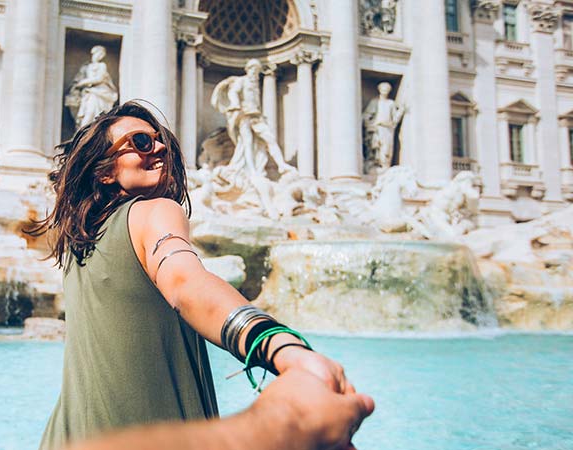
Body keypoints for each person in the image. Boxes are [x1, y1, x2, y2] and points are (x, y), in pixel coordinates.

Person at [27, 101, 366, 450]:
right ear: (104, 172)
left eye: (162, 142)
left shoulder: (77, 245)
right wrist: (281, 345)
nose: (158, 147)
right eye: (141, 142)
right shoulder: (155, 210)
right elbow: (187, 284)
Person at [65, 368, 375, 450]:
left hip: (75, 422)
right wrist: (293, 421)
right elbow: (185, 282)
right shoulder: (157, 208)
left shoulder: (83, 229)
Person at [65, 45, 119, 129]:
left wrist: (84, 82)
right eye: (100, 54)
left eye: (102, 55)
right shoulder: (86, 67)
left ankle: (88, 133)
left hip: (99, 92)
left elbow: (99, 78)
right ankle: (82, 134)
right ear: (94, 53)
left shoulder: (102, 65)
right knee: (87, 114)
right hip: (88, 92)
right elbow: (77, 79)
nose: (101, 56)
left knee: (94, 114)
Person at [362, 82, 405, 172]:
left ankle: (385, 166)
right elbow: (366, 115)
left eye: (387, 89)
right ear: (380, 90)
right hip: (377, 128)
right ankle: (376, 164)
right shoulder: (375, 102)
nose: (385, 91)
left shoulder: (391, 103)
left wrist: (401, 111)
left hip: (388, 128)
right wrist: (369, 123)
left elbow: (395, 118)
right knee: (376, 147)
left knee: (386, 149)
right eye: (383, 89)